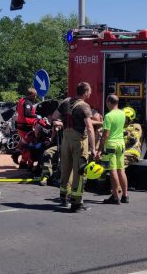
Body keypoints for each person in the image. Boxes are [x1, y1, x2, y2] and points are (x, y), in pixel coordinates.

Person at [50, 82, 96, 212]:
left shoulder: (66, 101)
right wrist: (93, 148)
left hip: (66, 139)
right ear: (86, 92)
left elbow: (54, 117)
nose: (90, 93)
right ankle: (76, 202)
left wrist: (59, 122)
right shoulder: (84, 106)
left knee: (65, 169)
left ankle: (64, 197)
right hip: (79, 141)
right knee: (80, 171)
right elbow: (89, 127)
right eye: (90, 91)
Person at [98, 95, 128, 205]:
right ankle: (125, 195)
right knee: (121, 170)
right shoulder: (122, 113)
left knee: (113, 170)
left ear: (109, 102)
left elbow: (105, 135)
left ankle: (115, 197)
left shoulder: (108, 116)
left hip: (111, 145)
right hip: (121, 144)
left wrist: (99, 150)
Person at [14, 88, 39, 168]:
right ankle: (23, 162)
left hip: (20, 125)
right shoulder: (28, 103)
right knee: (29, 145)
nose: (35, 97)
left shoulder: (21, 100)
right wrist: (37, 116)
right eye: (34, 96)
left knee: (24, 142)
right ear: (30, 95)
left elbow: (18, 110)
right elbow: (27, 113)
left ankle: (17, 153)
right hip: (26, 126)